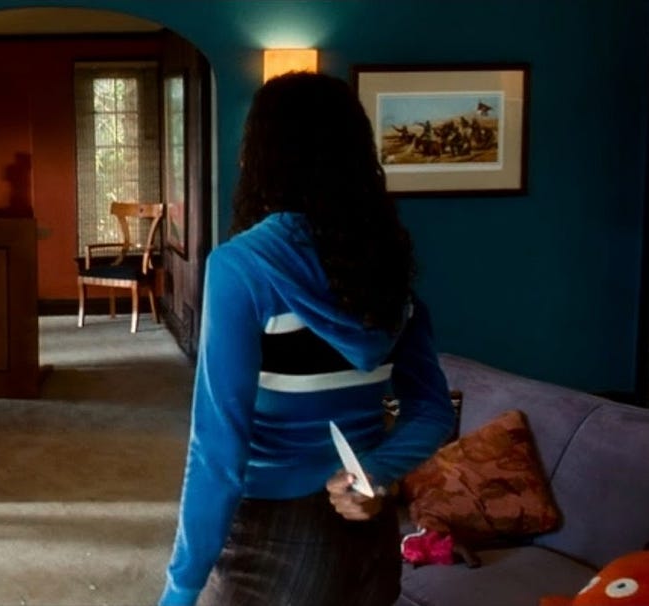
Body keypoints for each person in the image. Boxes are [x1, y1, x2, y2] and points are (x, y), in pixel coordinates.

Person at [159, 72, 458, 606]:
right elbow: (433, 411)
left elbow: (218, 451)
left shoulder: (242, 267)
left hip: (274, 536)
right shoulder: (385, 264)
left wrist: (181, 587)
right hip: (368, 528)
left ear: (261, 156)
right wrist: (374, 471)